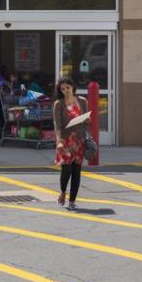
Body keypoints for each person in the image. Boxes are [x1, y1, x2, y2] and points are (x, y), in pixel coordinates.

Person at [52, 76, 89, 211]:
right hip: (65, 141)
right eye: (63, 89)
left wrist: (87, 120)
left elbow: (87, 121)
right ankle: (63, 192)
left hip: (79, 140)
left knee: (76, 171)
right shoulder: (59, 104)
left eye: (68, 87)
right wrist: (59, 142)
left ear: (73, 87)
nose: (66, 91)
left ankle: (72, 201)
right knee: (66, 170)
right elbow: (57, 125)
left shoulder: (82, 101)